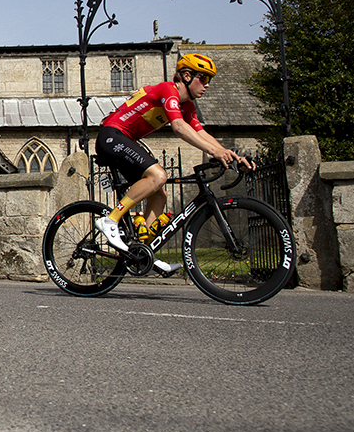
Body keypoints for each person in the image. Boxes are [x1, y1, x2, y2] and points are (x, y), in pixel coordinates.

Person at [94, 53, 255, 275]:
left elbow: (200, 132)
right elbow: (178, 127)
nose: (207, 86)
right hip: (111, 135)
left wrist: (228, 154)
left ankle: (142, 251)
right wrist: (214, 151)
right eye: (204, 78)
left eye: (209, 80)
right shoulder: (168, 90)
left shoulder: (187, 106)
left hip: (125, 140)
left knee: (159, 194)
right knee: (158, 176)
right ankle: (111, 220)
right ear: (187, 76)